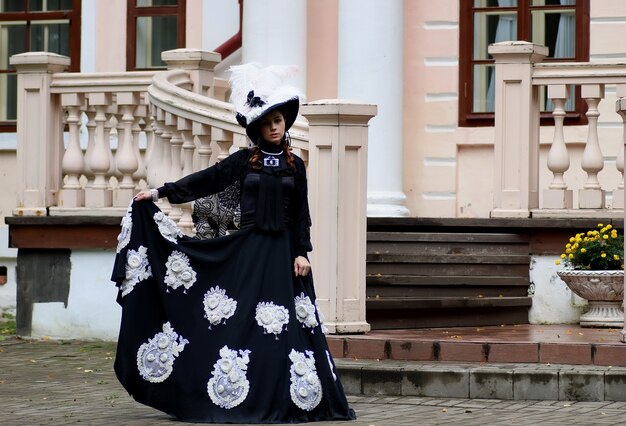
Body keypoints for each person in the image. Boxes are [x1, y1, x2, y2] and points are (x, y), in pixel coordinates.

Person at [111, 63, 356, 423]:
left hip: (284, 256)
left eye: (279, 120)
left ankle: (290, 400)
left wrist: (303, 251)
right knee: (238, 323)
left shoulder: (296, 165)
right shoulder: (244, 161)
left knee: (286, 329)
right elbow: (206, 181)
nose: (276, 126)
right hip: (248, 251)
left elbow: (301, 213)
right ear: (257, 127)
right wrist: (161, 192)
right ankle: (231, 395)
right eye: (268, 121)